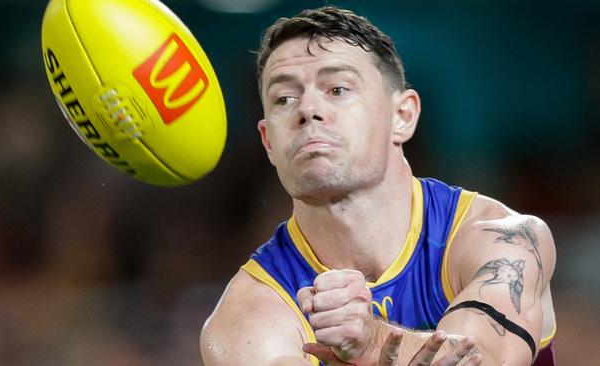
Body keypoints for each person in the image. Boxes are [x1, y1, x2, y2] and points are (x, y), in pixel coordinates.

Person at [201, 6, 556, 366]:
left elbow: (489, 358)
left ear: (402, 116)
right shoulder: (246, 320)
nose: (307, 108)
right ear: (268, 143)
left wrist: (372, 341)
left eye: (337, 88)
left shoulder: (503, 240)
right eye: (284, 99)